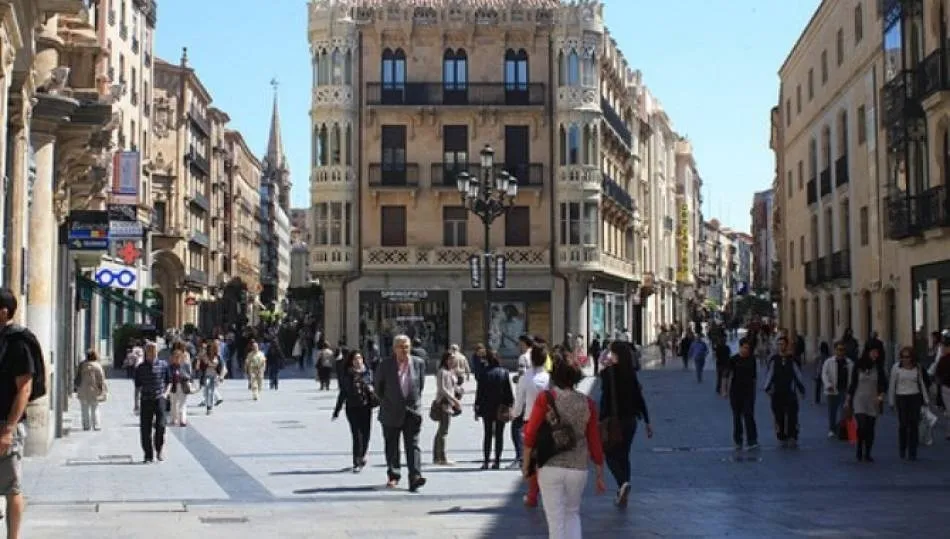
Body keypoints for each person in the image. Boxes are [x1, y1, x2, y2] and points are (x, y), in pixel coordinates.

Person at [523, 356, 605, 538]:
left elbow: (530, 434)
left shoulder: (545, 398)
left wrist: (527, 463)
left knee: (555, 519)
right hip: (578, 466)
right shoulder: (588, 403)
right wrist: (599, 471)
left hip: (550, 464)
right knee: (572, 514)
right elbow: (594, 440)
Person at [599, 341, 653, 509]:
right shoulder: (631, 373)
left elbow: (605, 400)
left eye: (611, 352)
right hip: (631, 421)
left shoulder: (608, 373)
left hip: (614, 421)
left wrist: (600, 420)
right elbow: (639, 398)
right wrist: (647, 421)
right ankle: (623, 491)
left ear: (615, 355)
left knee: (609, 454)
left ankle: (623, 483)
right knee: (624, 455)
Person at [0, 289, 35, 539]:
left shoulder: (18, 343)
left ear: (4, 312)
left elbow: (25, 388)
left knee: (11, 487)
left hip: (5, 425)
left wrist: (9, 429)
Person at [374, 334, 427, 491]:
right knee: (392, 445)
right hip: (391, 411)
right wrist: (389, 401)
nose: (404, 350)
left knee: (413, 445)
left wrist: (414, 404)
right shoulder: (385, 365)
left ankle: (415, 476)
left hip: (412, 411)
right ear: (394, 348)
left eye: (407, 347)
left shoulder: (418, 363)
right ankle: (393, 475)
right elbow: (378, 388)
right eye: (401, 347)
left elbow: (420, 386)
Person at [514, 345, 551, 507]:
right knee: (546, 459)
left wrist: (514, 414)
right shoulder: (549, 378)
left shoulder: (525, 378)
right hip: (548, 423)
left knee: (532, 459)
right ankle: (545, 492)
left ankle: (532, 494)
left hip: (530, 421)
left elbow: (518, 404)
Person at [333, 351, 378, 472]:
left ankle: (362, 455)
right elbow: (343, 393)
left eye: (360, 358)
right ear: (351, 361)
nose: (358, 361)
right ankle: (356, 461)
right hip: (352, 408)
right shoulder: (347, 375)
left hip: (366, 407)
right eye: (355, 359)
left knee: (366, 434)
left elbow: (377, 387)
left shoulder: (368, 373)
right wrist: (337, 410)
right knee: (357, 435)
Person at [474, 349, 515, 470]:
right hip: (501, 407)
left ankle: (486, 461)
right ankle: (497, 461)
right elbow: (508, 392)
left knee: (487, 434)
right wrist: (510, 405)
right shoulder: (504, 372)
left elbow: (479, 392)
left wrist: (477, 407)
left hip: (487, 407)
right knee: (499, 434)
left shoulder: (483, 373)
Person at [763, 335, 806, 448]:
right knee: (779, 416)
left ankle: (793, 436)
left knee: (792, 415)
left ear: (786, 345)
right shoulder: (774, 360)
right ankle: (781, 436)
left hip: (790, 392)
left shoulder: (792, 359)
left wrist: (801, 389)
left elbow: (797, 375)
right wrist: (767, 388)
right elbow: (770, 374)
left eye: (782, 344)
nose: (780, 346)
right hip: (777, 392)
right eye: (778, 344)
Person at [888, 346, 930, 461]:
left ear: (912, 357)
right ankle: (902, 448)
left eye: (907, 357)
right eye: (903, 357)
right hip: (901, 397)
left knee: (914, 424)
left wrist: (926, 399)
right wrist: (891, 401)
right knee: (903, 424)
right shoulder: (896, 368)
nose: (905, 359)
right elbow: (892, 384)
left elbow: (921, 383)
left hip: (914, 397)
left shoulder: (917, 367)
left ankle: (912, 451)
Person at [846, 347, 887, 462]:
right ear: (867, 352)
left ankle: (868, 452)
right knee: (862, 425)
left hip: (873, 400)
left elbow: (883, 384)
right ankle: (859, 447)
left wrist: (881, 396)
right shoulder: (858, 365)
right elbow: (853, 383)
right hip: (859, 399)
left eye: (877, 352)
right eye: (873, 352)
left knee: (870, 427)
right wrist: (848, 399)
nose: (875, 355)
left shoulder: (879, 367)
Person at [134, 341, 171, 463]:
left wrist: (165, 394)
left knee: (161, 426)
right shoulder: (141, 368)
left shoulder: (163, 365)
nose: (152, 352)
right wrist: (136, 403)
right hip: (146, 399)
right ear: (146, 352)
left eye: (154, 350)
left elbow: (169, 381)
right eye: (149, 350)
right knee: (145, 429)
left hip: (159, 398)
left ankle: (159, 449)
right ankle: (148, 454)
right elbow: (137, 386)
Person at [725, 338, 758, 451]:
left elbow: (754, 377)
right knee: (737, 417)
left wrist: (754, 391)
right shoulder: (734, 359)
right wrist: (724, 390)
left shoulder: (752, 359)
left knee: (749, 415)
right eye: (744, 348)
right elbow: (727, 375)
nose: (746, 350)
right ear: (740, 347)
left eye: (748, 348)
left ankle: (752, 440)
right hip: (735, 392)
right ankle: (738, 440)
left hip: (748, 392)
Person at [432, 352, 462, 466]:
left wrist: (459, 391)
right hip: (444, 403)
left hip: (449, 403)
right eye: (450, 359)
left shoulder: (451, 371)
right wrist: (454, 400)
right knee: (443, 431)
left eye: (453, 359)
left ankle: (437, 457)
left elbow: (453, 386)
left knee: (441, 430)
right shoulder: (442, 372)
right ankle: (441, 457)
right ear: (445, 360)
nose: (452, 361)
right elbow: (442, 389)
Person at [821, 341, 854, 438]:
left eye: (843, 350)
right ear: (835, 350)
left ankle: (842, 429)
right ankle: (832, 429)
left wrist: (851, 389)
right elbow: (824, 374)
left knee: (844, 411)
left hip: (845, 389)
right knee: (832, 411)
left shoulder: (849, 363)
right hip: (832, 390)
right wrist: (828, 385)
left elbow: (853, 376)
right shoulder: (828, 362)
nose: (841, 352)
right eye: (839, 349)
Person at [74, 349, 107, 431]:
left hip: (82, 389)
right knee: (95, 408)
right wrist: (103, 389)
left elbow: (77, 377)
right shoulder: (98, 366)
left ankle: (86, 425)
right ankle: (96, 425)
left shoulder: (82, 365)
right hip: (94, 390)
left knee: (84, 409)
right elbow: (101, 379)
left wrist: (76, 387)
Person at [168, 342, 193, 427]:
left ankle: (182, 420)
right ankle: (173, 419)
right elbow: (167, 377)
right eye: (175, 357)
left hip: (183, 385)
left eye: (178, 357)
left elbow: (189, 374)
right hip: (173, 386)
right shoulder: (170, 367)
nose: (177, 359)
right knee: (173, 403)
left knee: (182, 403)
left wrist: (189, 381)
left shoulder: (185, 365)